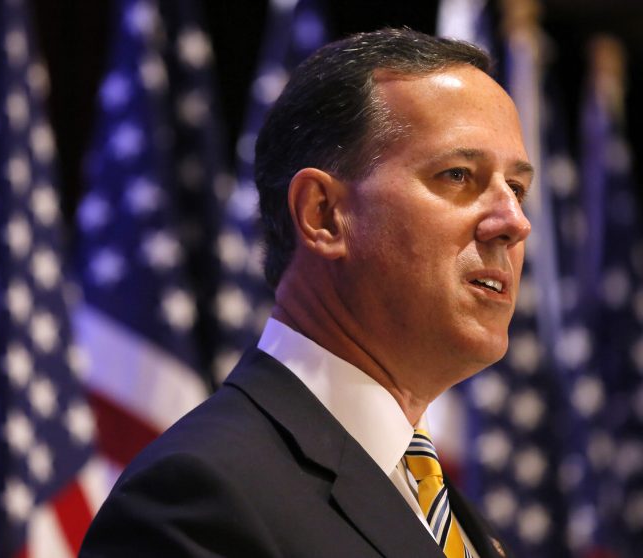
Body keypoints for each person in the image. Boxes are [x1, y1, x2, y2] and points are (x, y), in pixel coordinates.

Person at [80, 27, 532, 558]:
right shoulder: (200, 496)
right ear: (323, 215)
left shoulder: (453, 517)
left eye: (518, 188)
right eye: (458, 175)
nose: (513, 221)